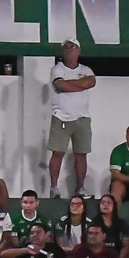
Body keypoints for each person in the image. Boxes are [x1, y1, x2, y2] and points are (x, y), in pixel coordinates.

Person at [46, 40, 96, 197]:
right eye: (66, 49)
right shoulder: (57, 69)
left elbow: (91, 82)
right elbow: (60, 85)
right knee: (57, 153)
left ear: (78, 51)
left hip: (82, 117)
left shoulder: (86, 69)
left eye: (72, 49)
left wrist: (70, 84)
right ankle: (54, 188)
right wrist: (81, 84)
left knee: (81, 154)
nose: (69, 52)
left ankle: (80, 187)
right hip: (61, 117)